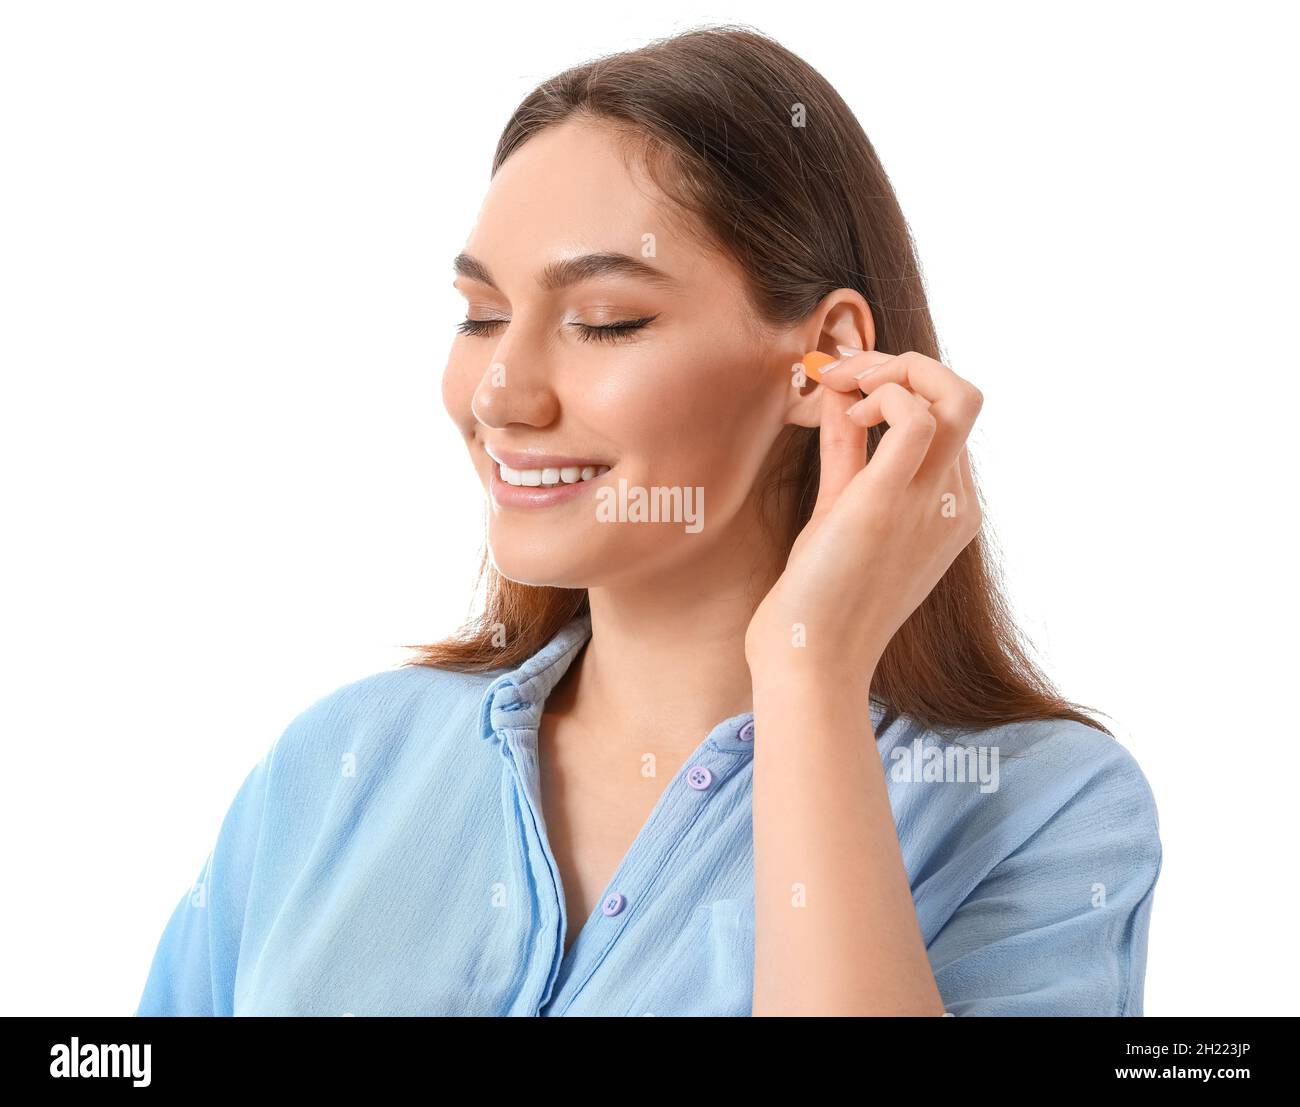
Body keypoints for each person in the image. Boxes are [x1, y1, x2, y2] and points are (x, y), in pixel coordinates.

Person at [136, 24, 1161, 1017]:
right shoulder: (338, 762)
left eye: (603, 322)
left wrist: (809, 674)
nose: (500, 394)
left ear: (828, 357)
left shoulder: (1037, 811)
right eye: (481, 316)